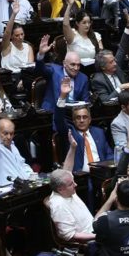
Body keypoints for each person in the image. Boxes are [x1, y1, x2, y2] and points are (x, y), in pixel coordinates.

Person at [54, 79, 112, 209]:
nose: (81, 120)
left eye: (84, 117)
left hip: (101, 173)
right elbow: (58, 119)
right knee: (89, 189)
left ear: (90, 119)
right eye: (77, 118)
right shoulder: (70, 133)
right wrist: (63, 96)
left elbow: (108, 154)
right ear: (73, 120)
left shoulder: (98, 132)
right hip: (82, 176)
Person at [0, 98, 33, 186]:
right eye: (5, 133)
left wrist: (31, 175)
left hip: (24, 186)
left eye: (11, 134)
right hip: (6, 190)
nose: (9, 137)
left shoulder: (13, 146)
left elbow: (22, 164)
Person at [34, 35, 89, 112]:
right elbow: (40, 70)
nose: (76, 68)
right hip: (52, 111)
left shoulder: (83, 78)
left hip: (73, 115)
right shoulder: (54, 70)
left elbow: (85, 102)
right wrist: (41, 54)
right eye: (72, 64)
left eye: (78, 65)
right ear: (64, 63)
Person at [0, 2, 34, 74]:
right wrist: (14, 14)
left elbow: (30, 68)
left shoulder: (28, 47)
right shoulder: (7, 46)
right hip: (11, 77)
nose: (20, 37)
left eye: (22, 34)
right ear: (11, 36)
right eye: (17, 35)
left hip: (25, 76)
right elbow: (7, 33)